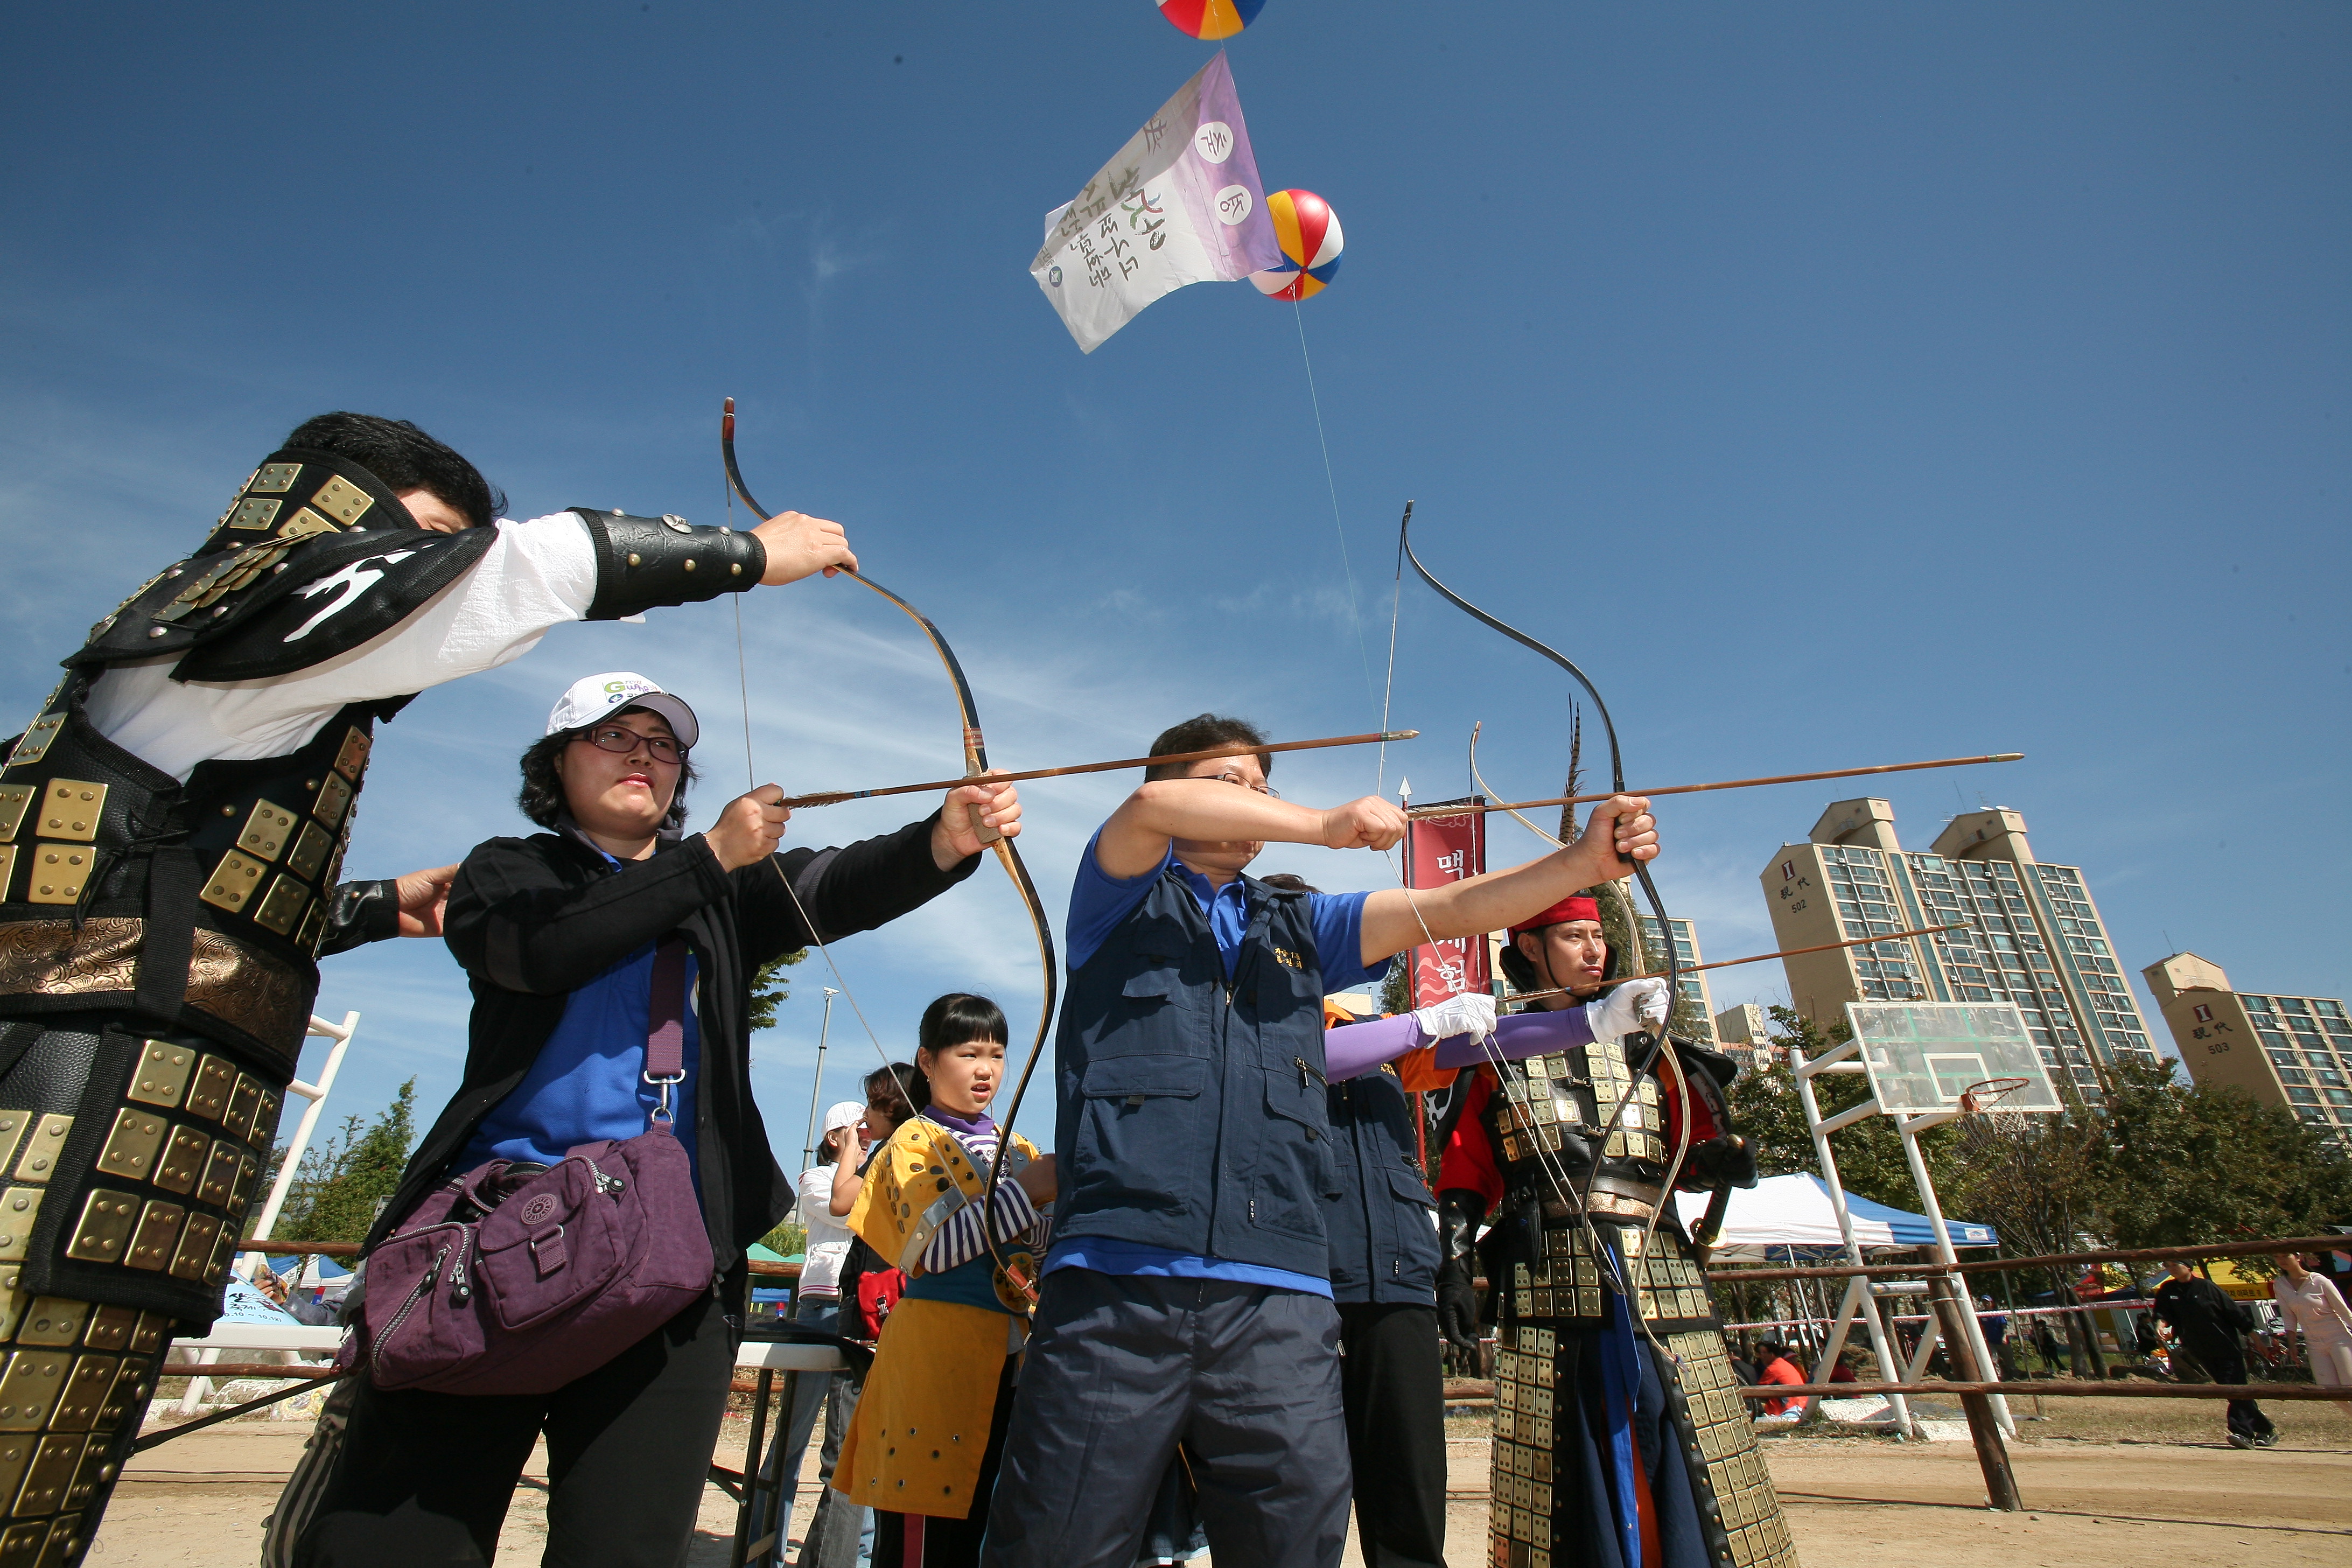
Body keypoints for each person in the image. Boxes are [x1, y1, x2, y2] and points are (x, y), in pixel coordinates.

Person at [0, 410, 862, 1552]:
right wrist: (752, 554)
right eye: (419, 541)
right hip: (60, 1109)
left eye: (665, 744)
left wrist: (352, 908)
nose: (427, 576)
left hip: (123, 1140)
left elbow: (168, 883)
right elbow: (513, 580)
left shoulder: (256, 687)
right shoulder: (233, 618)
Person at [298, 678, 1023, 1564]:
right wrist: (711, 854)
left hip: (673, 1261)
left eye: (664, 743)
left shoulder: (723, 891)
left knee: (629, 1546)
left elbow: (836, 884)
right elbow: (542, 948)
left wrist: (946, 837)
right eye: (611, 735)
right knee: (396, 1542)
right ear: (556, 761)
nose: (642, 753)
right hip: (493, 1246)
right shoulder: (509, 870)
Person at [982, 712, 1660, 1568]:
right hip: (1118, 1284)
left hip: (1283, 1296)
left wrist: (1585, 866)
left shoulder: (1300, 923)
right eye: (1229, 785)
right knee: (1057, 1542)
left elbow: (1448, 907)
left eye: (1264, 788)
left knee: (1295, 1538)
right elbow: (1149, 809)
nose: (1255, 802)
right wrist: (1323, 824)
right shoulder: (1117, 896)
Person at [1432, 890, 1791, 1567]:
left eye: (1597, 938)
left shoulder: (1649, 1047)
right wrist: (1453, 1262)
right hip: (1551, 1273)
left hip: (1659, 1268)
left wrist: (1723, 1160)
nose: (1595, 951)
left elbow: (1690, 1149)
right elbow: (1467, 1171)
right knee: (1571, 1433)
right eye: (1574, 937)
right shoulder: (1493, 1055)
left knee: (1686, 1421)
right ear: (1531, 949)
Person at [833, 994, 1054, 1568]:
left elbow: (1036, 1249)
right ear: (927, 1061)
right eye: (969, 1052)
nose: (986, 1068)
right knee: (925, 1539)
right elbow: (932, 1252)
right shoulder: (909, 1143)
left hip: (1008, 1359)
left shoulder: (1017, 1144)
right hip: (933, 1360)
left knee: (987, 1530)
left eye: (998, 1054)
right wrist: (1028, 1192)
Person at [2152, 1261, 2274, 1448]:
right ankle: (2265, 1429)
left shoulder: (2206, 1287)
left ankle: (2242, 1433)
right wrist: (2161, 1325)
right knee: (2230, 1388)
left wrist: (2256, 1339)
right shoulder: (2168, 1289)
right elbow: (2163, 1313)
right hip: (2198, 1347)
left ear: (2189, 1267)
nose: (2172, 1269)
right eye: (2168, 1266)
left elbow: (2235, 1314)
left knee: (2233, 1388)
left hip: (2225, 1345)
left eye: (2175, 1264)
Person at [2272, 1251, 2352, 1416]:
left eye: (2286, 1256)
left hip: (2338, 1338)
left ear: (2298, 1257)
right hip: (2313, 1343)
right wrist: (2292, 1345)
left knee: (2349, 1386)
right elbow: (2288, 1317)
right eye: (2277, 1257)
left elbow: (2345, 1312)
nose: (2281, 1260)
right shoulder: (2280, 1284)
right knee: (2328, 1390)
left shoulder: (2319, 1281)